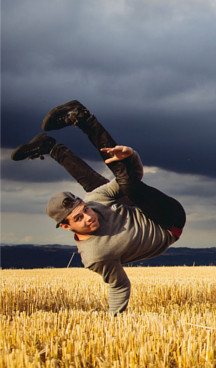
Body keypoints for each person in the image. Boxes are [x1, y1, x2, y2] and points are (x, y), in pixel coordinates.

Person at [9, 100, 186, 316]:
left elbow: (132, 179)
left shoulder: (94, 201)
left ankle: (83, 119)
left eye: (85, 210)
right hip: (168, 225)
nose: (89, 216)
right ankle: (50, 146)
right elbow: (119, 286)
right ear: (66, 227)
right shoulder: (95, 256)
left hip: (161, 208)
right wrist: (114, 323)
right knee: (113, 186)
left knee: (103, 186)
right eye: (79, 218)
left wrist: (131, 156)